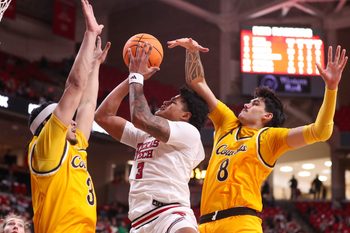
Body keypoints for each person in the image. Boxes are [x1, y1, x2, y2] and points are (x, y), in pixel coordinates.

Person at [167, 38, 348, 233]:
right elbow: (197, 83)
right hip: (204, 224)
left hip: (241, 223)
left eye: (254, 104)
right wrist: (192, 51)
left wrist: (331, 88)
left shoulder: (270, 138)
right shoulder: (228, 123)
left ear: (267, 116)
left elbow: (321, 131)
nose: (246, 104)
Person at [95, 43, 209, 233]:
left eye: (174, 102)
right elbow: (103, 117)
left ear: (185, 116)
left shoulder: (188, 132)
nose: (165, 101)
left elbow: (141, 118)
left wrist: (137, 77)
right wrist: (131, 78)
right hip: (139, 222)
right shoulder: (144, 136)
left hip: (170, 213)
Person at [27, 0, 111, 232]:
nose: (72, 120)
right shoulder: (46, 148)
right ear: (49, 126)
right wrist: (90, 34)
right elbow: (74, 87)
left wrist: (94, 66)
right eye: (65, 118)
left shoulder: (72, 147)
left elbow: (87, 105)